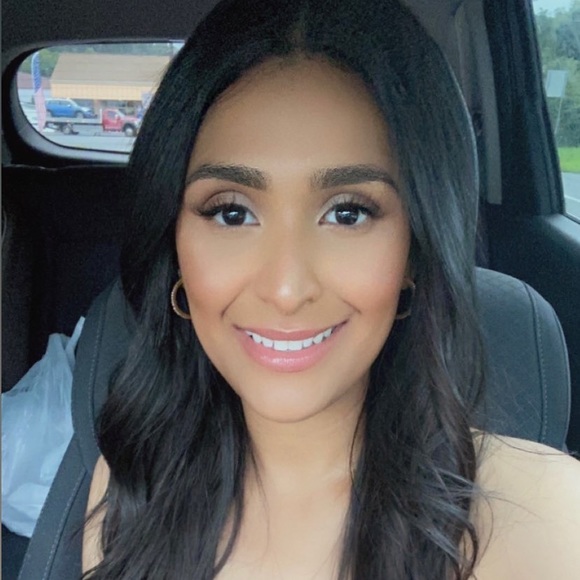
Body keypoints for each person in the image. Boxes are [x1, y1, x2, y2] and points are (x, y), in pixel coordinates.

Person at [82, 0, 580, 578]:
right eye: (231, 213)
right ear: (174, 248)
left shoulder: (548, 521)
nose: (286, 288)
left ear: (415, 249)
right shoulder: (130, 483)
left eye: (348, 213)